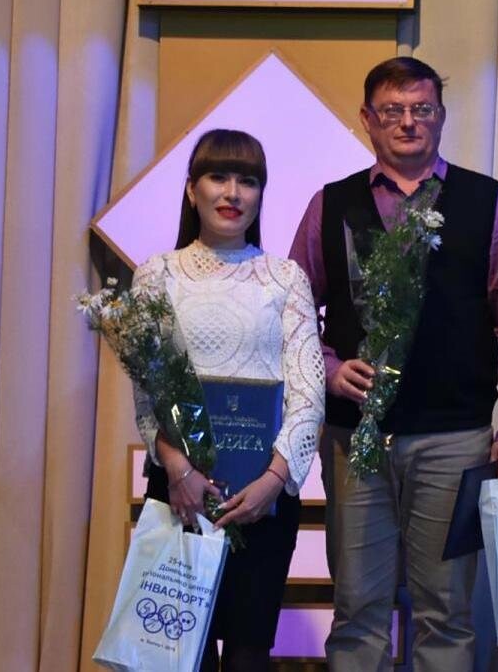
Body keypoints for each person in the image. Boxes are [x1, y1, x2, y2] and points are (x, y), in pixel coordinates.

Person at [289, 56, 498, 670]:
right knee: (357, 610)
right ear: (367, 119)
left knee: (446, 613)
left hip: (455, 438)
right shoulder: (330, 205)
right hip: (355, 440)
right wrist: (329, 368)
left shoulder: (487, 201)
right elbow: (290, 317)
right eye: (393, 111)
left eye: (421, 109)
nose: (408, 122)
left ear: (441, 117)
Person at [132, 128, 325, 672]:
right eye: (218, 177)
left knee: (247, 655)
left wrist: (273, 480)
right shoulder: (156, 275)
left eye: (248, 181)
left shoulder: (285, 278)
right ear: (191, 189)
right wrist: (179, 470)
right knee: (177, 655)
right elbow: (148, 396)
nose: (233, 193)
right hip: (179, 491)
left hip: (263, 496)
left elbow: (308, 392)